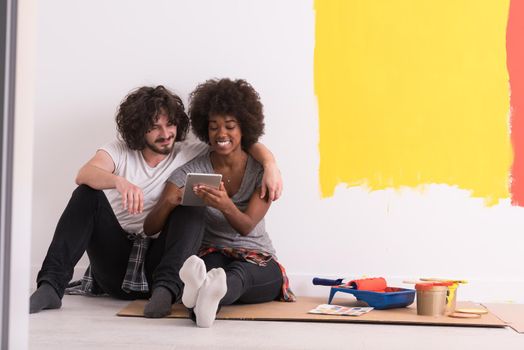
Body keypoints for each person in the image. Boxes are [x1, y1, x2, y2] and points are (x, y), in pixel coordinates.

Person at [29, 85, 283, 316]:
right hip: (114, 259)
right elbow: (84, 174)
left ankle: (166, 292)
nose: (166, 133)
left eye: (170, 124)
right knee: (86, 193)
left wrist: (271, 164)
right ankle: (51, 286)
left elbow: (237, 141)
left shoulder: (188, 152)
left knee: (191, 207)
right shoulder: (119, 151)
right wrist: (119, 181)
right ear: (139, 128)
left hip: (159, 264)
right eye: (155, 126)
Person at [144, 78, 295, 328]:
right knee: (208, 270)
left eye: (230, 126)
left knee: (236, 276)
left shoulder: (261, 172)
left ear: (244, 129)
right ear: (206, 129)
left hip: (256, 258)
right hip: (212, 254)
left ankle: (199, 298)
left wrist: (224, 204)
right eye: (213, 127)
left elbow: (246, 227)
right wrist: (169, 201)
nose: (221, 134)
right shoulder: (191, 171)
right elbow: (150, 227)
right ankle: (202, 297)